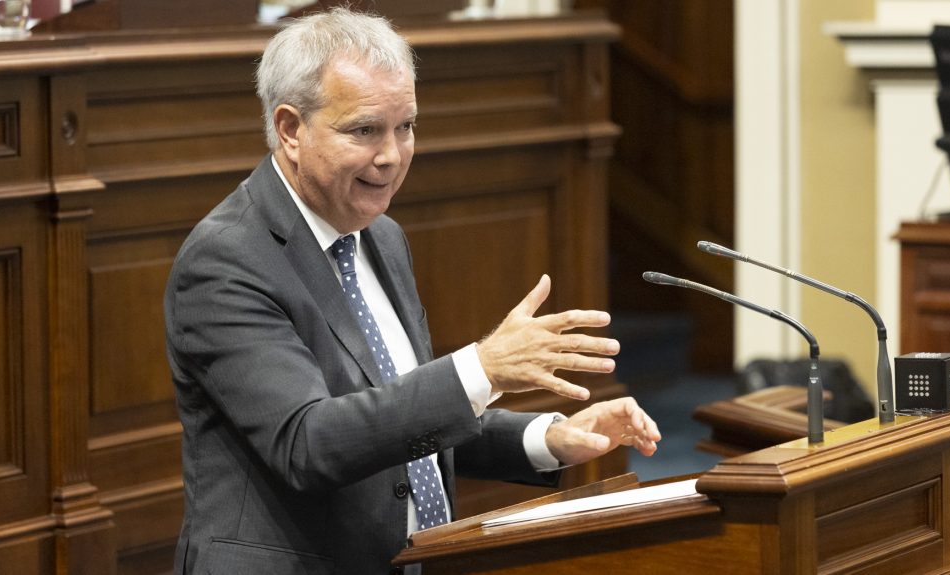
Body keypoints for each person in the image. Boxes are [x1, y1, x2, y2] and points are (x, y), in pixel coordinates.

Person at [164, 7, 661, 574]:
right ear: (290, 129)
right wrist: (482, 368)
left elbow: (400, 421)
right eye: (365, 130)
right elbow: (310, 442)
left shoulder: (381, 237)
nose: (392, 156)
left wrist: (549, 438)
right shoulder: (227, 260)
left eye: (406, 127)